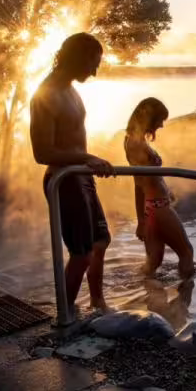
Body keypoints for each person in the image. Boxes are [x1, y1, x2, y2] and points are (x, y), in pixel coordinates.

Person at [29, 32, 114, 313]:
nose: (95, 70)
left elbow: (73, 137)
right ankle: (64, 316)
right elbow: (42, 153)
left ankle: (97, 303)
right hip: (64, 181)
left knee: (100, 241)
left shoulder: (70, 89)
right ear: (77, 58)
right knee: (81, 253)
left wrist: (87, 163)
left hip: (81, 176)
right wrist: (88, 157)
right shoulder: (47, 94)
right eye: (94, 62)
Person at [124, 97, 195, 280]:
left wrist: (167, 190)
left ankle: (148, 299)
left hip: (154, 207)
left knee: (154, 262)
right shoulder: (135, 144)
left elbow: (148, 179)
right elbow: (138, 183)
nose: (162, 125)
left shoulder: (136, 141)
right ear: (150, 118)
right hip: (158, 208)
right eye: (160, 120)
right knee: (187, 253)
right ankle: (185, 301)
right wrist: (140, 220)